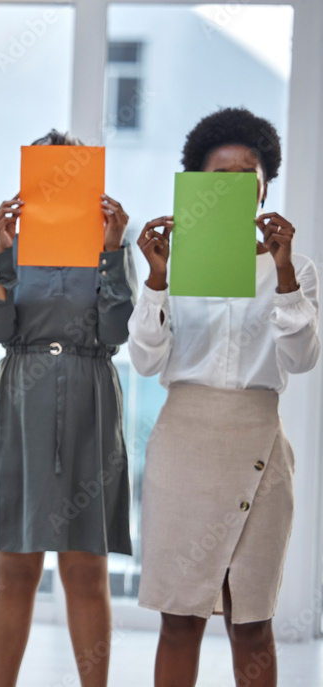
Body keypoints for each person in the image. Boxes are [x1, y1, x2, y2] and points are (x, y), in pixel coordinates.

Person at [128, 107, 320, 687]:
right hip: (184, 445)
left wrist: (284, 276)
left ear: (265, 187)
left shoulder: (298, 268)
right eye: (223, 174)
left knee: (252, 620)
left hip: (260, 443)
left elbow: (303, 359)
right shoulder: (173, 263)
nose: (237, 184)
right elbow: (145, 359)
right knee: (180, 618)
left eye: (250, 173)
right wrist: (157, 278)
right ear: (198, 186)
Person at [0, 130, 135, 686]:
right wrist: (5, 253)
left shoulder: (112, 243)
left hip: (90, 400)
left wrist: (111, 252)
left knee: (87, 566)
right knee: (15, 564)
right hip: (20, 401)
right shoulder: (9, 244)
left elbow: (115, 329)